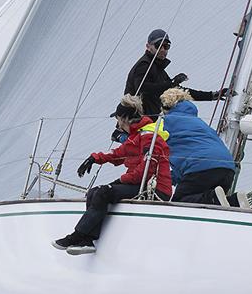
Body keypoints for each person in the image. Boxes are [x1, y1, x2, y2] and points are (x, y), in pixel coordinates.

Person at [52, 94, 172, 255]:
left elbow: (146, 170)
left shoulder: (149, 137)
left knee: (103, 192)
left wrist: (121, 180)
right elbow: (118, 153)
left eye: (118, 119)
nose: (117, 124)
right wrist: (94, 158)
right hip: (139, 183)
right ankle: (87, 241)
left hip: (155, 189)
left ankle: (77, 235)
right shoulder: (138, 135)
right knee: (94, 192)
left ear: (125, 119)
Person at [160, 87, 250, 208]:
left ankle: (212, 198)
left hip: (201, 168)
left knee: (179, 201)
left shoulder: (165, 122)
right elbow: (184, 162)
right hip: (227, 168)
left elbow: (146, 137)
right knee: (214, 202)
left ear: (165, 107)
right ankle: (235, 201)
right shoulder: (199, 123)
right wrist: (170, 178)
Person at [125, 29, 228, 119]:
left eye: (166, 46)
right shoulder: (144, 65)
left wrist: (212, 95)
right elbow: (143, 88)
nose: (162, 50)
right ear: (148, 46)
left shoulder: (158, 69)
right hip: (138, 122)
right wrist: (171, 83)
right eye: (158, 45)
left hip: (150, 121)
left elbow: (178, 92)